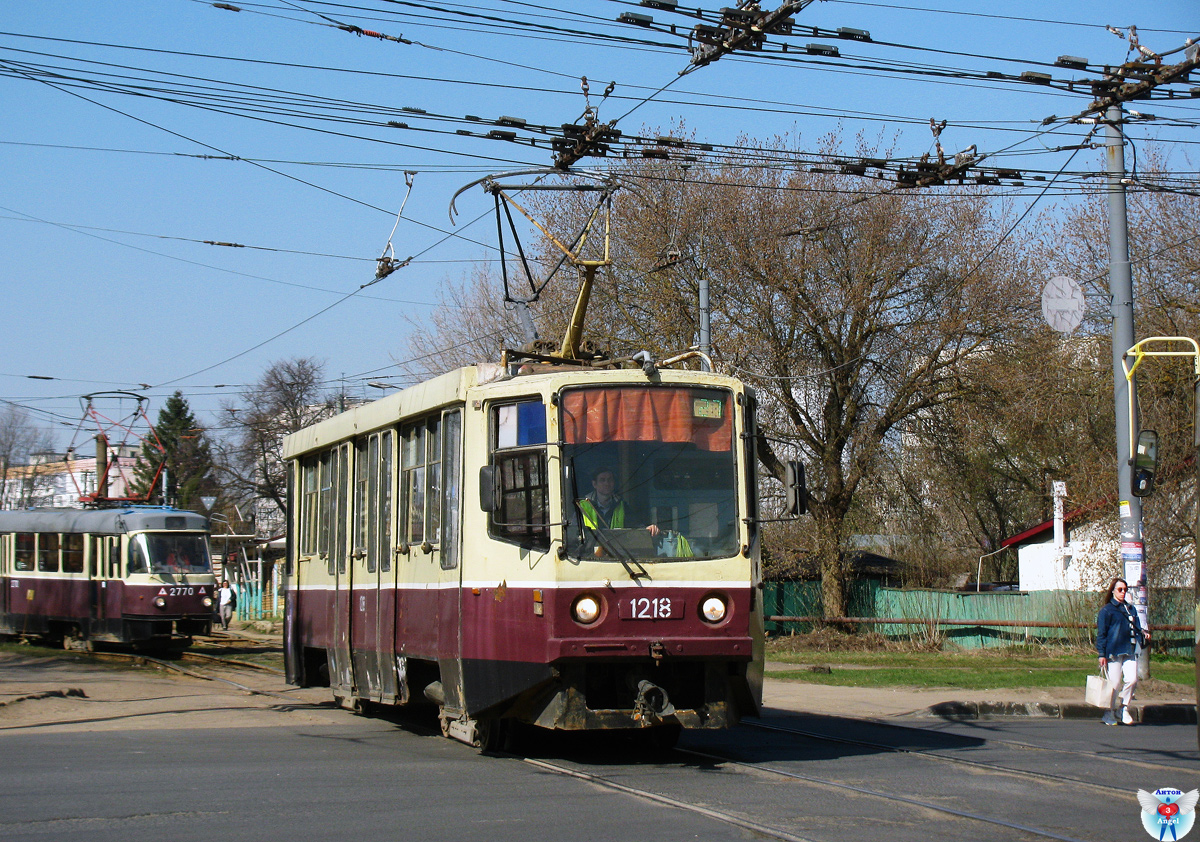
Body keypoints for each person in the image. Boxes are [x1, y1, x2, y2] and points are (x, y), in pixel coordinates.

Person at [1096, 576, 1149, 725]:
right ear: (1113, 591)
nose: (1123, 593)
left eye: (1125, 590)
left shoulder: (1130, 608)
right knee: (1114, 683)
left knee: (1132, 679)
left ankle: (1123, 708)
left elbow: (1137, 626)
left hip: (1130, 649)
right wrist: (1102, 654)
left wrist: (1142, 635)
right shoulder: (1107, 610)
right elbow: (1102, 634)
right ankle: (1109, 712)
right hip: (1113, 651)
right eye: (1120, 589)